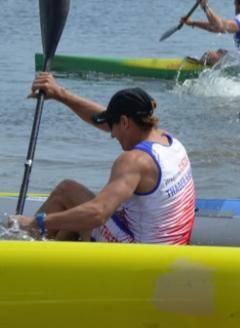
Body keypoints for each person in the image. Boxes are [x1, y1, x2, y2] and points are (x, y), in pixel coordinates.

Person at [7, 79, 195, 244]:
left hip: (138, 256)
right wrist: (60, 94)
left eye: (113, 127)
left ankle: (17, 255)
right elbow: (105, 119)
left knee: (67, 192)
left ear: (124, 122)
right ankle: (53, 260)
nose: (112, 134)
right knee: (75, 215)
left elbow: (98, 213)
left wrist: (36, 221)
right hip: (171, 249)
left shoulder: (134, 161)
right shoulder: (169, 142)